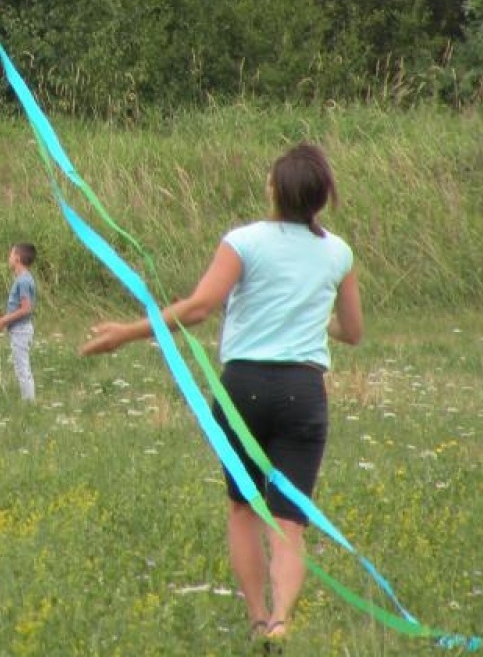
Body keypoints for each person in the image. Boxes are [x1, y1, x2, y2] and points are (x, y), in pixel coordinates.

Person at [79, 143, 363, 653]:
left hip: (244, 390)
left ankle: (257, 619)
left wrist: (126, 332)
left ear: (274, 189)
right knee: (291, 519)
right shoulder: (338, 253)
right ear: (321, 200)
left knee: (242, 508)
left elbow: (199, 308)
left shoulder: (243, 241)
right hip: (304, 391)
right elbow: (353, 330)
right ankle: (281, 622)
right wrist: (309, 315)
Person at [0, 241, 38, 402]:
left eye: (11, 254)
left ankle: (29, 404)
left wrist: (3, 320)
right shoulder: (22, 279)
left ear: (17, 258)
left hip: (21, 330)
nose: (8, 258)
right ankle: (28, 401)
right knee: (20, 366)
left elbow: (26, 308)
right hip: (19, 330)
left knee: (22, 368)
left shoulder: (23, 281)